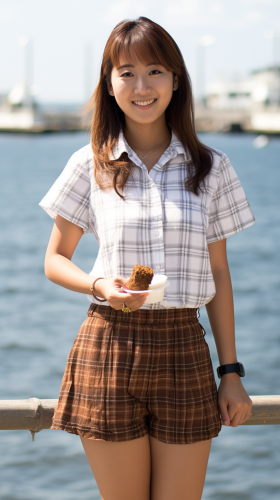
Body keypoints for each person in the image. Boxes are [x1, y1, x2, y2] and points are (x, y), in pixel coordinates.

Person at [39, 16, 255, 500]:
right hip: (109, 345)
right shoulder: (89, 163)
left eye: (155, 71)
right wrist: (100, 287)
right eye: (126, 72)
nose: (142, 86)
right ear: (109, 85)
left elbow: (219, 273)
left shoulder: (211, 167)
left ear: (176, 82)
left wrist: (232, 374)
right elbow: (55, 260)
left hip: (184, 347)